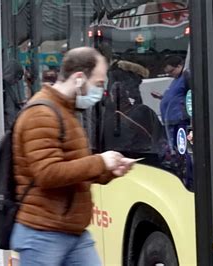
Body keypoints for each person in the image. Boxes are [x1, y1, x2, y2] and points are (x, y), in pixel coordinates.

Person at [10, 47, 136, 265]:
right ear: (79, 78)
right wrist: (100, 161)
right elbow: (47, 174)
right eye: (98, 84)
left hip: (72, 231)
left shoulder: (66, 111)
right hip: (42, 233)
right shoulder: (41, 113)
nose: (101, 91)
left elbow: (73, 166)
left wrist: (108, 171)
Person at [151, 56, 190, 150]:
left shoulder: (186, 77)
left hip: (180, 120)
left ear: (179, 66)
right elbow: (175, 97)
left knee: (181, 148)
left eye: (171, 71)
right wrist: (161, 97)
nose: (170, 74)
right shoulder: (176, 80)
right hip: (171, 120)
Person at [3, 59, 24, 130]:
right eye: (17, 78)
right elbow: (10, 112)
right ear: (11, 74)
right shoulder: (4, 88)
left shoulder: (6, 87)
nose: (17, 82)